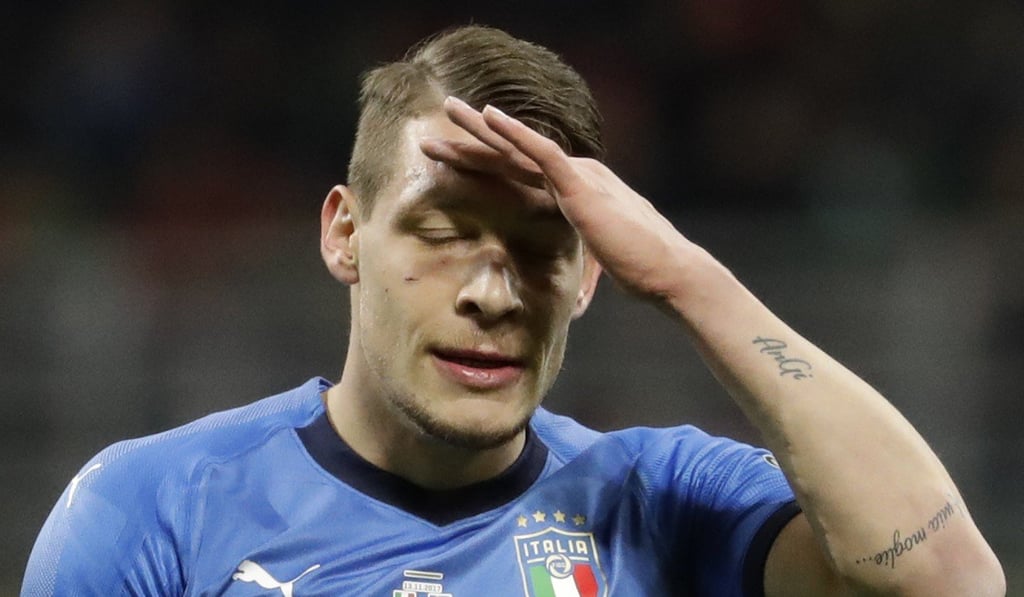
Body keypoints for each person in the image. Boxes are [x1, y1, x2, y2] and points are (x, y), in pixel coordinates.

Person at [22, 25, 1004, 597]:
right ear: (344, 235)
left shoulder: (664, 502)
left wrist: (684, 277)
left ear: (588, 278)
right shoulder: (149, 507)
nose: (493, 293)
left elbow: (952, 582)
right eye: (442, 231)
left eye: (541, 250)